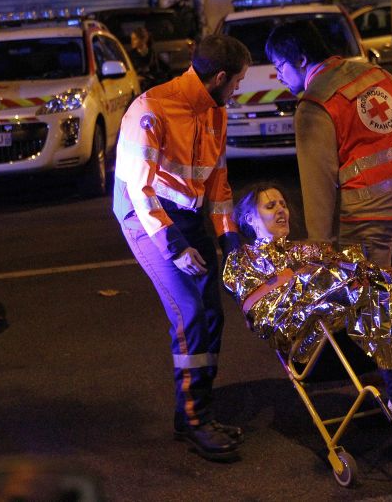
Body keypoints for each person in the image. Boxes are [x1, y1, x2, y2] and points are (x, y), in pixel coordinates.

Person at [264, 21, 392, 434]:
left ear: (301, 61)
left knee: (376, 306)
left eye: (279, 66)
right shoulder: (374, 74)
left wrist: (321, 250)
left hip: (372, 216)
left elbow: (318, 185)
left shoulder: (315, 104)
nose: (278, 76)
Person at [113, 34, 250, 462]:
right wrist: (174, 245)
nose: (240, 90)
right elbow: (140, 188)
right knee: (189, 312)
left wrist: (229, 240)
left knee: (211, 314)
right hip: (145, 215)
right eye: (238, 82)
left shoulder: (215, 111)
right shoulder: (151, 110)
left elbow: (217, 183)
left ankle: (197, 413)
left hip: (186, 214)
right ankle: (194, 423)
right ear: (221, 77)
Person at [222, 184, 392, 388]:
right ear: (249, 219)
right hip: (315, 347)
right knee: (370, 295)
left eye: (282, 203)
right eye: (270, 206)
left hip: (353, 333)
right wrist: (317, 283)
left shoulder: (308, 249)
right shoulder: (244, 261)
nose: (281, 210)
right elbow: (264, 317)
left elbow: (355, 269)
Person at [129, 26, 170, 90]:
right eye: (131, 39)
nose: (132, 42)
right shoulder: (130, 55)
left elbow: (164, 69)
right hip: (139, 86)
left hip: (151, 86)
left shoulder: (152, 54)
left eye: (135, 39)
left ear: (144, 39)